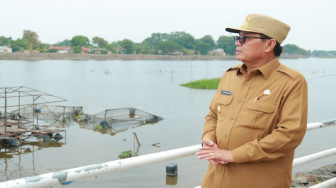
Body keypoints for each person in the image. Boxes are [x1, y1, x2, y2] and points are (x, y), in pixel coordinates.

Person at [196, 14, 308, 188]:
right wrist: (208, 138)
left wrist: (233, 155)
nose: (237, 43)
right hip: (215, 180)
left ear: (269, 44)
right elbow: (212, 115)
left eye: (244, 38)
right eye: (237, 38)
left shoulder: (291, 81)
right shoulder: (230, 75)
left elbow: (289, 135)